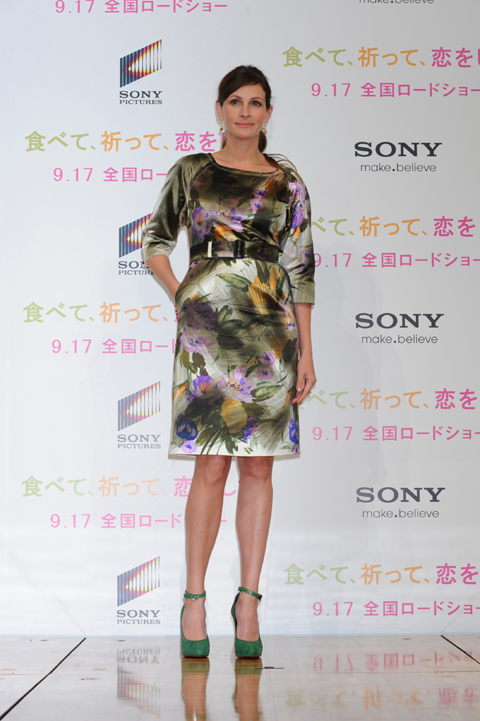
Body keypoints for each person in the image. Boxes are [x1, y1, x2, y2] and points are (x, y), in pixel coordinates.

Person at [142, 65, 316, 659]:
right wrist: (183, 296)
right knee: (210, 466)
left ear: (268, 112)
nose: (245, 111)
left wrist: (307, 352)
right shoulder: (192, 170)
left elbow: (301, 269)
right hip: (206, 328)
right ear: (219, 109)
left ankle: (248, 602)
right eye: (235, 101)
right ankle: (193, 600)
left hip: (270, 331)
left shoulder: (288, 181)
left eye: (256, 102)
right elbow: (155, 242)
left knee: (259, 468)